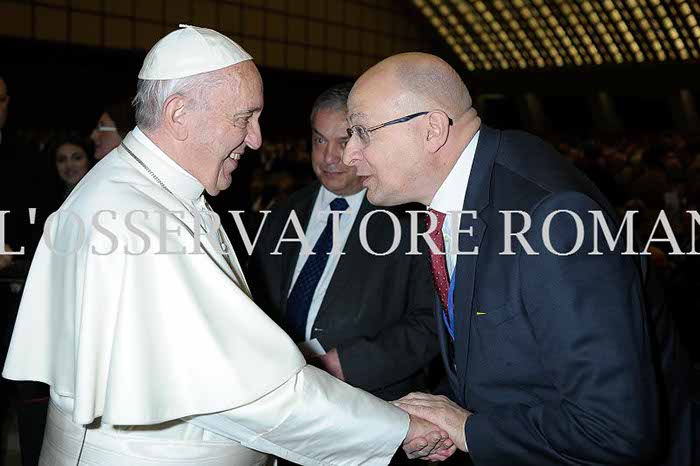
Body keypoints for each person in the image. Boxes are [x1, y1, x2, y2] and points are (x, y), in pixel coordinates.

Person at [2, 27, 455, 466]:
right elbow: (251, 393)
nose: (256, 139)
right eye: (243, 119)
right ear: (179, 114)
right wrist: (396, 428)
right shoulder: (140, 219)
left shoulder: (147, 191)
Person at [342, 53, 695, 465]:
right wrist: (445, 418)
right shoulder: (468, 190)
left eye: (362, 132)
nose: (349, 154)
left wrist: (469, 430)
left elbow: (615, 430)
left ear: (432, 130)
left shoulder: (553, 218)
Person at [248, 82, 438, 408]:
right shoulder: (283, 213)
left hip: (369, 402)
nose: (329, 157)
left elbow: (430, 323)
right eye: (320, 140)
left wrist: (343, 364)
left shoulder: (411, 222)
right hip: (279, 394)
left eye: (343, 141)